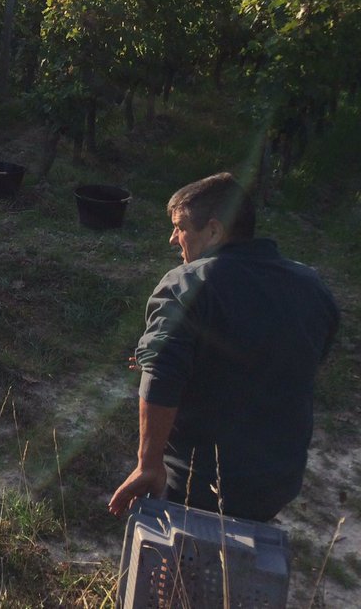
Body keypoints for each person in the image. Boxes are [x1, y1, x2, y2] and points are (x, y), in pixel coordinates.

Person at [109, 172, 339, 522]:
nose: (173, 238)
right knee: (234, 564)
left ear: (214, 231)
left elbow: (161, 379)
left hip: (198, 480)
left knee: (176, 561)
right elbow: (297, 360)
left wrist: (148, 464)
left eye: (181, 226)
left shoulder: (187, 284)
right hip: (276, 482)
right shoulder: (312, 288)